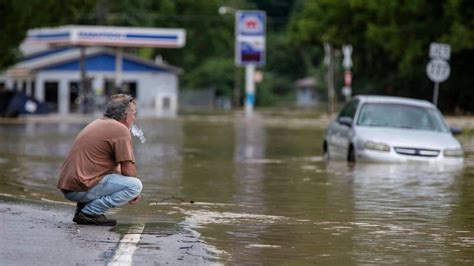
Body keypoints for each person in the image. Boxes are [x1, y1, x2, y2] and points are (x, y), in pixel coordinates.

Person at [57, 94, 143, 226]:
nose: (134, 118)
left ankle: (82, 211)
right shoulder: (120, 130)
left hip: (70, 186)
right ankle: (90, 213)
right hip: (80, 187)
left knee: (111, 174)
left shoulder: (98, 123)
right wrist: (135, 193)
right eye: (134, 114)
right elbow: (128, 169)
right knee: (135, 185)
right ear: (125, 115)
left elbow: (116, 169)